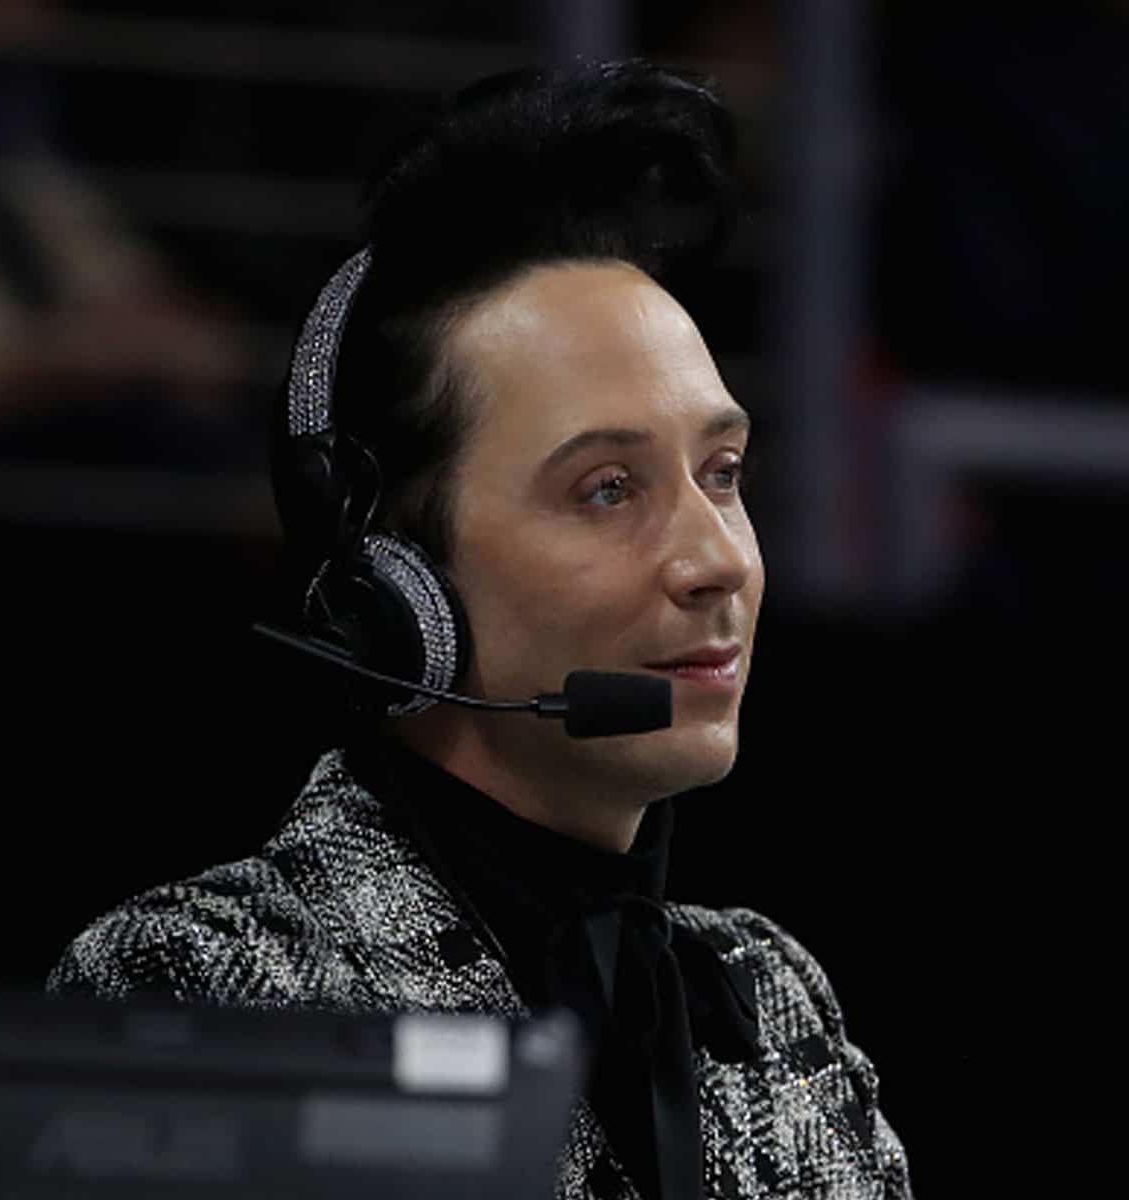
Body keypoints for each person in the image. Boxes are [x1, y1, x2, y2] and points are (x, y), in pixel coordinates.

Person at [49, 61, 914, 1200]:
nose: (717, 560)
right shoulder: (204, 985)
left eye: (723, 472)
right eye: (607, 488)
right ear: (393, 582)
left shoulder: (766, 992)